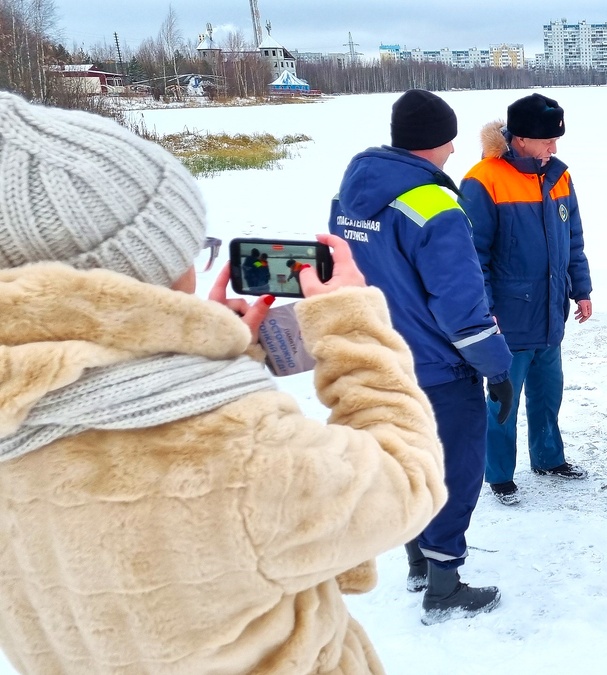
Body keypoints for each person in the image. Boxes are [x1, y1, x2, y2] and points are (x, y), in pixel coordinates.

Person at [0, 92, 447, 673]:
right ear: (143, 272)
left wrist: (200, 357)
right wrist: (352, 327)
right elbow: (405, 481)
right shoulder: (234, 449)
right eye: (191, 249)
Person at [328, 88, 514, 624]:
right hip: (438, 368)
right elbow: (460, 303)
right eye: (450, 140)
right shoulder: (435, 205)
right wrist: (496, 367)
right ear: (436, 142)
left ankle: (415, 557)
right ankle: (445, 584)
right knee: (453, 469)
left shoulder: (349, 198)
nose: (455, 151)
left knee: (403, 460)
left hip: (379, 356)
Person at [460, 92, 594, 506]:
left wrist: (582, 288)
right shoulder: (483, 179)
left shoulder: (558, 176)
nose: (554, 148)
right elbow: (472, 254)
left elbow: (573, 238)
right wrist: (484, 312)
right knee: (503, 398)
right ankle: (499, 474)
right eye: (547, 141)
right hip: (507, 316)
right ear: (520, 139)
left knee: (548, 392)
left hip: (551, 310)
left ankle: (549, 459)